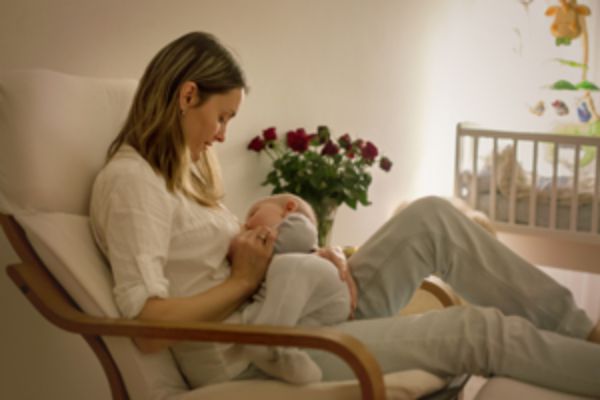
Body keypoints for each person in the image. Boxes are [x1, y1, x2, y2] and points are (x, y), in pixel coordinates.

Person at [89, 31, 600, 397]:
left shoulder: (183, 176)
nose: (223, 135)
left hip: (293, 310)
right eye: (221, 117)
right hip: (263, 348)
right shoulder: (132, 184)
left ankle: (581, 333)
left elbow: (239, 256)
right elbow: (147, 327)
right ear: (187, 95)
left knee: (432, 216)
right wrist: (246, 281)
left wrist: (316, 255)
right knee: (478, 330)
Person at [231, 193, 352, 384]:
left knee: (289, 265)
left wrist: (239, 244)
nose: (247, 223)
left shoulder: (298, 225)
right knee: (256, 313)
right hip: (308, 310)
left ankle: (268, 345)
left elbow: (284, 245)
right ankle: (284, 357)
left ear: (289, 208)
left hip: (326, 295)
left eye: (253, 213)